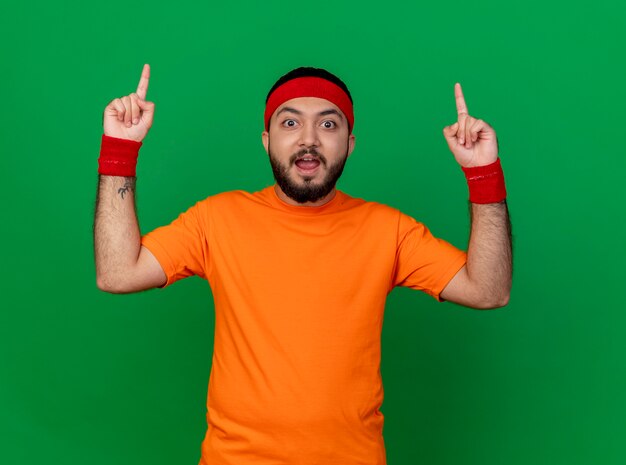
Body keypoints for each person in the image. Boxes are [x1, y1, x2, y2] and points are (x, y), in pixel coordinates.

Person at [94, 63, 512, 465]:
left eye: (328, 124)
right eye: (290, 123)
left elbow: (488, 289)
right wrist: (120, 149)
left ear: (349, 143)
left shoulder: (390, 230)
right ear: (266, 139)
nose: (308, 139)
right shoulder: (216, 220)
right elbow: (118, 272)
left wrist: (483, 173)